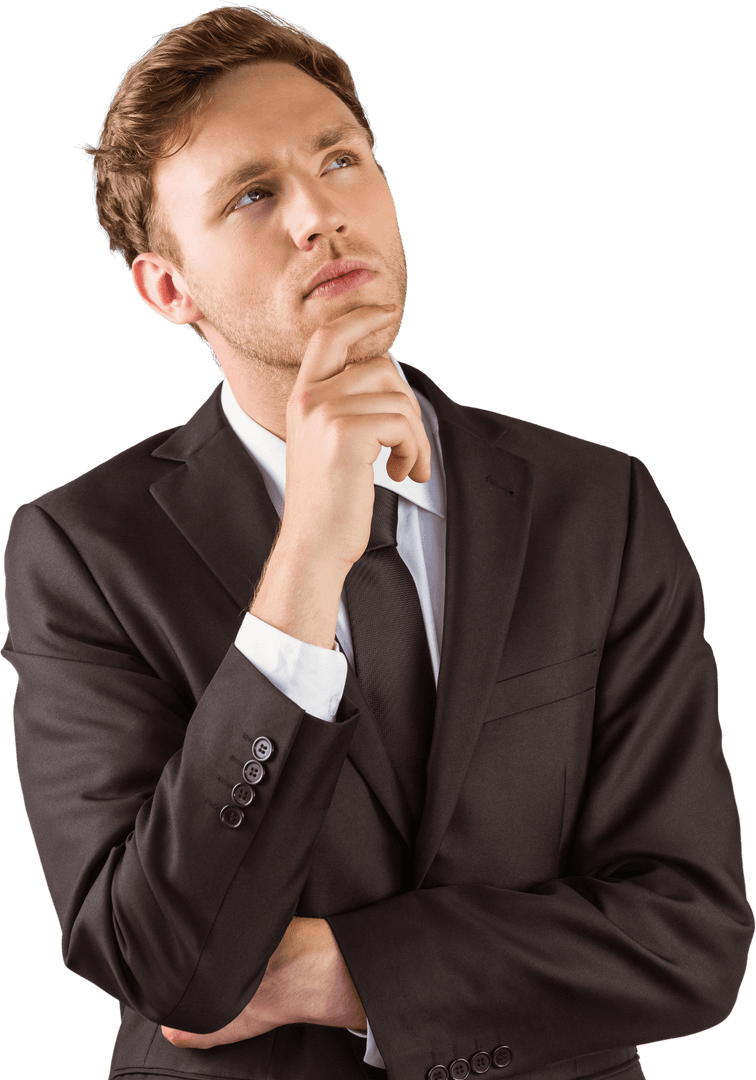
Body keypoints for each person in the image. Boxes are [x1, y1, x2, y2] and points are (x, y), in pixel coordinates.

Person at [3, 6, 752, 1080]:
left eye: (341, 160)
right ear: (168, 287)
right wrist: (308, 551)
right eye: (253, 194)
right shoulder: (81, 551)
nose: (319, 214)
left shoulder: (601, 504)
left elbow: (693, 940)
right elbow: (161, 963)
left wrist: (346, 971)